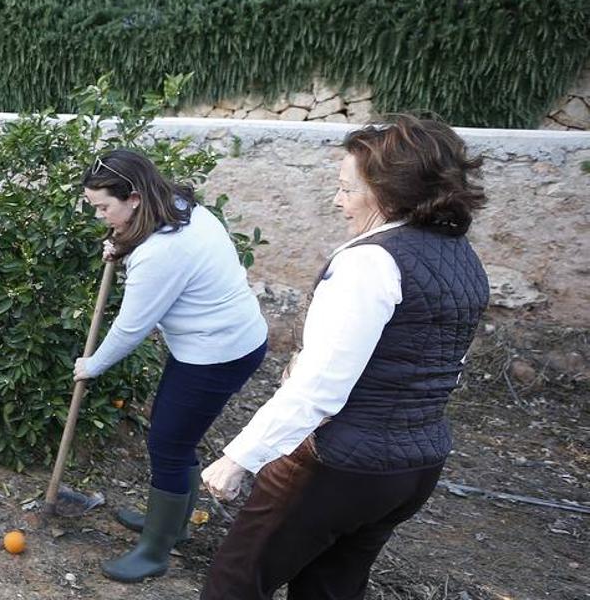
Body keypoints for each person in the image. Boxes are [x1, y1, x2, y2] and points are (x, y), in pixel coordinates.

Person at [200, 114, 488, 599]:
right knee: (332, 586)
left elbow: (320, 388)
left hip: (338, 465)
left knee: (235, 583)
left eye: (347, 190)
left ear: (389, 190)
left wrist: (238, 458)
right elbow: (436, 362)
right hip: (416, 465)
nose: (338, 202)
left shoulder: (370, 262)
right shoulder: (460, 256)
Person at [73, 148, 270, 583]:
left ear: (135, 198)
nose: (100, 216)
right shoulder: (180, 208)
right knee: (174, 437)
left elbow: (131, 327)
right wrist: (122, 242)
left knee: (168, 442)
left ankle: (154, 551)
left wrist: (92, 365)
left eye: (105, 207)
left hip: (218, 354)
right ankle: (172, 525)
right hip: (225, 342)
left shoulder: (163, 251)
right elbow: (144, 244)